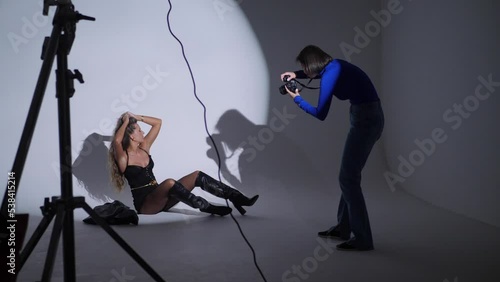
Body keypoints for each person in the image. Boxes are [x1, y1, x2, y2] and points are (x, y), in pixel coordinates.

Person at [281, 45, 384, 251]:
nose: (304, 71)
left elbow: (321, 113)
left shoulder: (330, 74)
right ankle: (343, 228)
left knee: (348, 178)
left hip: (366, 120)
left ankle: (363, 238)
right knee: (349, 176)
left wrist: (297, 99)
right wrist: (297, 74)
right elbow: (322, 76)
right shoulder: (334, 66)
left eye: (304, 67)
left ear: (311, 64)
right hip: (365, 116)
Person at [108, 112, 259, 217]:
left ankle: (237, 198)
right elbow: (116, 141)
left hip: (163, 198)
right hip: (146, 205)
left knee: (196, 175)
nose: (143, 132)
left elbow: (158, 123)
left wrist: (137, 117)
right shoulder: (124, 158)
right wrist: (126, 121)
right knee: (169, 182)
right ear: (131, 136)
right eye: (139, 131)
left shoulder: (144, 147)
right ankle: (208, 208)